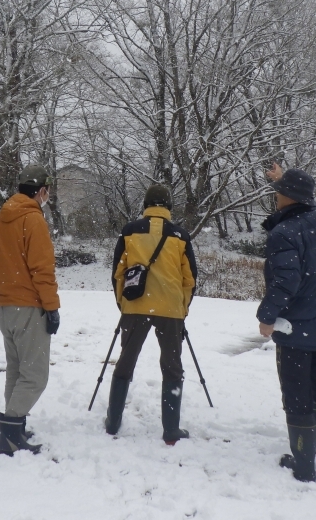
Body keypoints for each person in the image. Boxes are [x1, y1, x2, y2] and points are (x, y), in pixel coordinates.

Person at [257, 167, 316, 483]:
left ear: (287, 196)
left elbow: (285, 281)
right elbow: (304, 199)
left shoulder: (284, 234)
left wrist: (266, 317)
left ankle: (304, 465)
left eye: (279, 190)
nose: (275, 194)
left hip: (296, 331)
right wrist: (286, 177)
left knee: (297, 398)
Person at [106, 184, 197, 445]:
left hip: (135, 308)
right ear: (168, 206)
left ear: (146, 204)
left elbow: (118, 273)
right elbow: (189, 278)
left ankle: (113, 422)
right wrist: (182, 309)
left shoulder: (129, 231)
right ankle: (171, 430)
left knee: (125, 363)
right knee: (172, 368)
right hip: (170, 310)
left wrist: (123, 304)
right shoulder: (181, 235)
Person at [0, 165, 60, 456]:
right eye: (48, 192)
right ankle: (11, 432)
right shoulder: (33, 219)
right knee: (36, 375)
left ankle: (14, 426)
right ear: (42, 190)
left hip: (4, 305)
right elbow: (43, 270)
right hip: (29, 306)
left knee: (16, 370)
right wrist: (51, 307)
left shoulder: (2, 218)